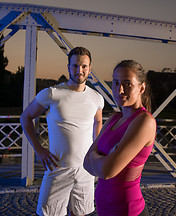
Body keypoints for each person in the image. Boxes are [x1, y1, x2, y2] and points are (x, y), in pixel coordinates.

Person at [20, 46, 104, 216]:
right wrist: (38, 149)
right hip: (58, 167)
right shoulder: (52, 94)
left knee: (81, 213)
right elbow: (25, 117)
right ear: (68, 67)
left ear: (89, 68)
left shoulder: (97, 98)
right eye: (75, 66)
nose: (79, 70)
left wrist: (98, 152)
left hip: (86, 169)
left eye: (84, 66)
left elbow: (98, 121)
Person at [84, 60, 156, 216]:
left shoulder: (145, 121)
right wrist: (102, 162)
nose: (120, 89)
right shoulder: (114, 119)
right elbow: (85, 163)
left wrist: (95, 157)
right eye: (115, 83)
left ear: (141, 87)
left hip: (127, 210)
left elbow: (107, 171)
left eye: (127, 84)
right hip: (105, 210)